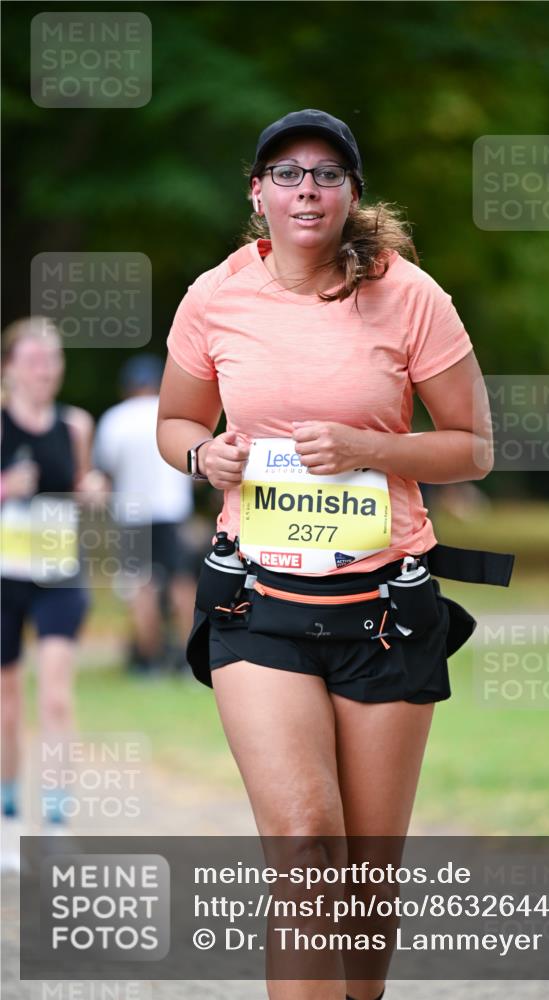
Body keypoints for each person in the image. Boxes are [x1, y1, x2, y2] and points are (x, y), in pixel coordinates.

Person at [157, 110, 504, 1000]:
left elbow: (471, 447)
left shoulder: (409, 295)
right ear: (256, 192)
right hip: (258, 603)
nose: (304, 189)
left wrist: (369, 450)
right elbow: (176, 422)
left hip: (386, 607)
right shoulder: (216, 296)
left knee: (365, 878)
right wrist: (205, 455)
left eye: (325, 174)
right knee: (307, 847)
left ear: (351, 194)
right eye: (285, 173)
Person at [0, 316, 103, 868]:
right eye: (34, 358)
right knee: (7, 701)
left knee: (57, 696)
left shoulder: (76, 425)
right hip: (3, 577)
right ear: (9, 367)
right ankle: (8, 811)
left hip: (59, 573)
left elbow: (85, 485)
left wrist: (92, 489)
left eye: (53, 358)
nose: (46, 368)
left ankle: (57, 819)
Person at [93, 354, 198, 675]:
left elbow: (105, 471)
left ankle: (149, 661)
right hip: (172, 509)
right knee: (182, 583)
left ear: (127, 387)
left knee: (141, 585)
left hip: (132, 512)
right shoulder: (175, 416)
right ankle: (186, 658)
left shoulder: (116, 419)